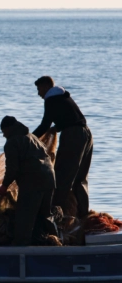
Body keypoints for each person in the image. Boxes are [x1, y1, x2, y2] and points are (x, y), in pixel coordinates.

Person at [32, 76, 93, 218]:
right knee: (80, 178)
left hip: (73, 136)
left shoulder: (51, 99)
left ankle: (56, 215)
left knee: (62, 175)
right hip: (87, 134)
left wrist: (29, 138)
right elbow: (67, 117)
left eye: (39, 89)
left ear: (47, 86)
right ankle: (82, 215)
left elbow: (44, 125)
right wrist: (57, 127)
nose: (38, 93)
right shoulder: (63, 97)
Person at [0, 116, 56, 246]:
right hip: (50, 179)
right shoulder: (33, 137)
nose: (3, 135)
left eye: (3, 132)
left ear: (8, 129)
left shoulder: (12, 142)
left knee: (24, 218)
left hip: (33, 182)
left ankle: (20, 249)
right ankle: (56, 242)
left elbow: (12, 169)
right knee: (45, 215)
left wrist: (4, 185)